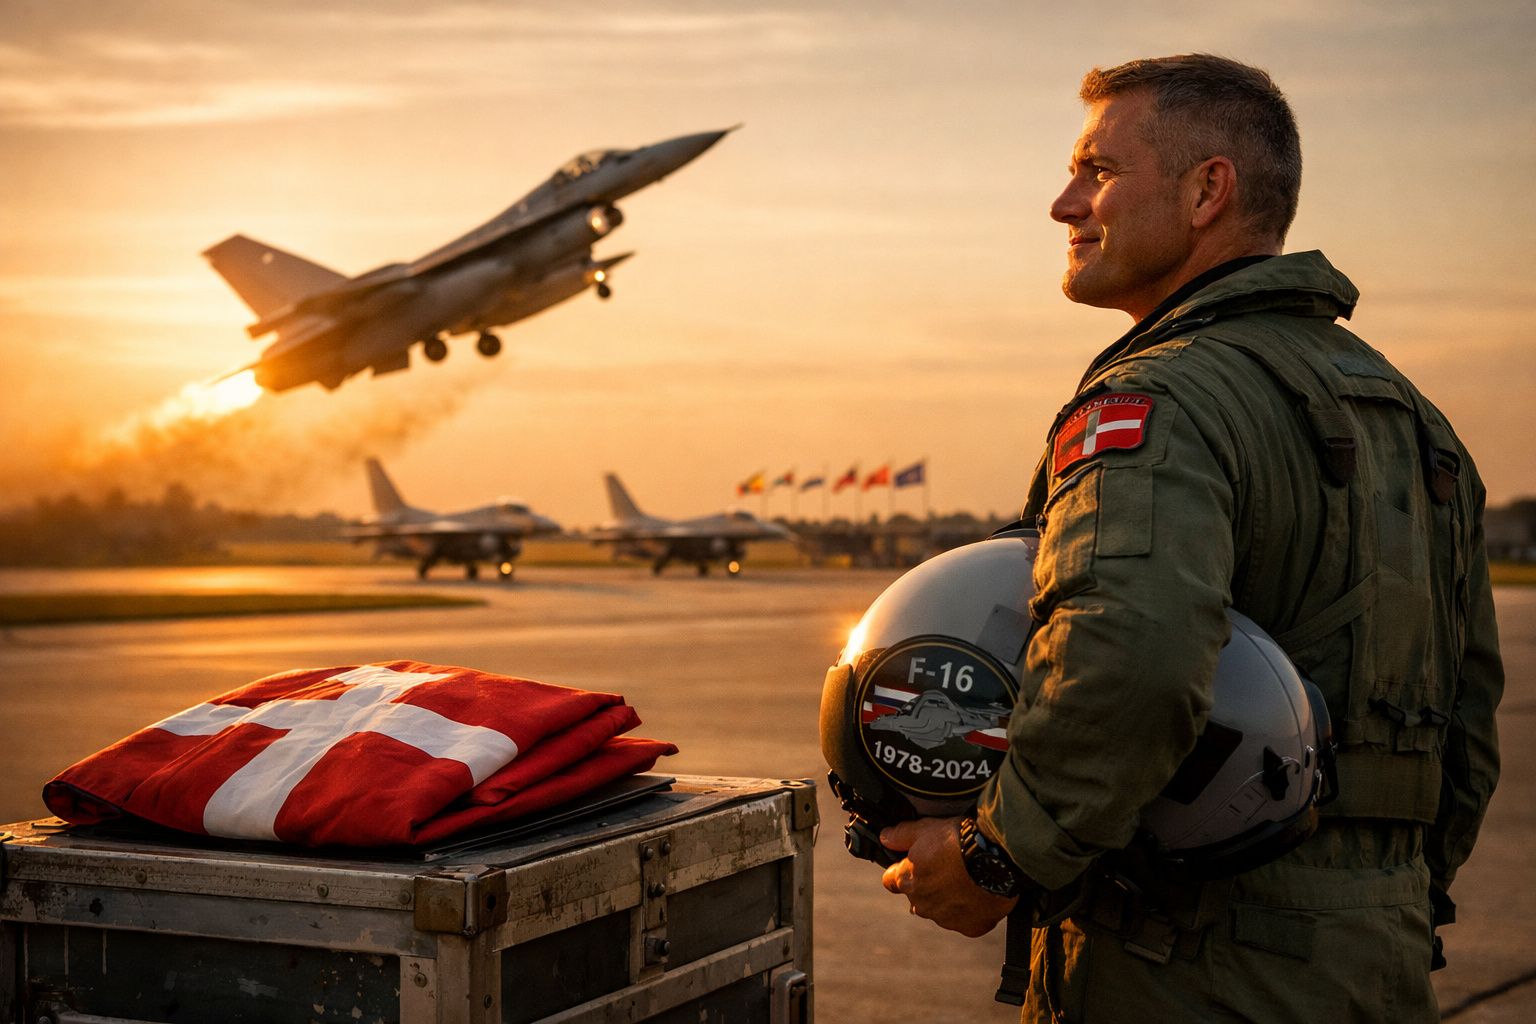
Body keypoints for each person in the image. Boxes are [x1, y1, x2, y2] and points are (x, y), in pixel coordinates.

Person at [878, 54, 1504, 1021]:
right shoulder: (1418, 423)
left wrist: (1000, 854)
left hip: (1184, 960)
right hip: (1378, 957)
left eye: (1098, 170)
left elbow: (1131, 657)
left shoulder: (1158, 399)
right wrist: (1375, 902)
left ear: (1208, 189)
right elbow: (1464, 719)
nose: (1064, 203)